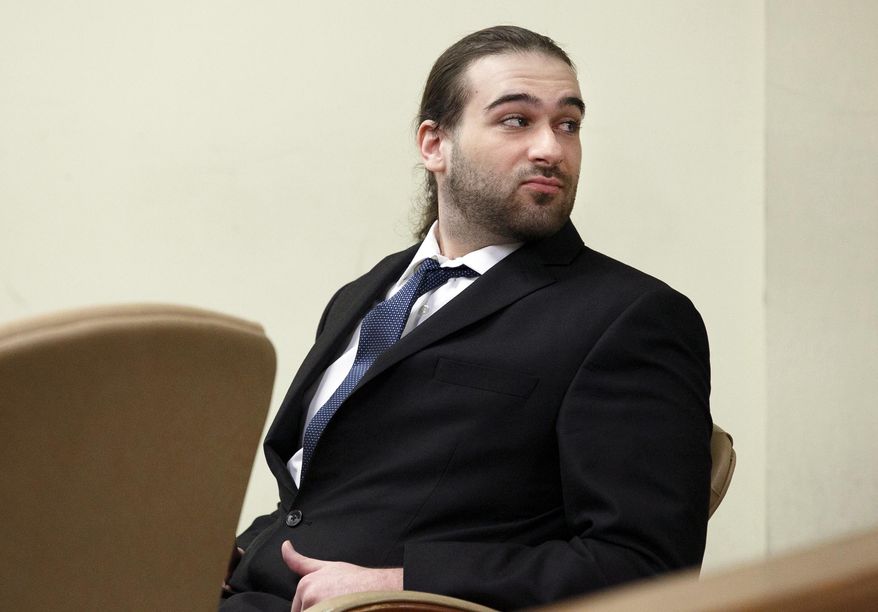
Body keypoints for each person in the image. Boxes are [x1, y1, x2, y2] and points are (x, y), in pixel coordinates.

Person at [221, 25, 711, 612]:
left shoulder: (631, 318)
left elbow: (646, 566)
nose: (551, 149)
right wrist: (227, 554)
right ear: (435, 144)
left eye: (569, 124)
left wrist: (401, 582)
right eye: (516, 120)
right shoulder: (364, 293)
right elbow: (322, 496)